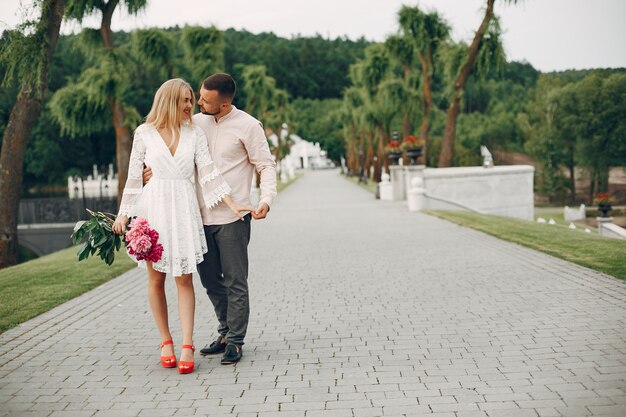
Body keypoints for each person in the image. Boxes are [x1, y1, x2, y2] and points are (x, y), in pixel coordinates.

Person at [112, 78, 252, 375]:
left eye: (192, 100)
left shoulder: (194, 133)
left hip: (183, 209)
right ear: (168, 101)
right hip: (154, 208)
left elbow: (209, 173)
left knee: (185, 279)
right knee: (155, 280)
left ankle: (187, 344)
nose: (190, 105)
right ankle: (166, 341)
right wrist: (124, 215)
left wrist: (233, 203)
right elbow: (135, 177)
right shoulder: (144, 133)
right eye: (185, 100)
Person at [143, 73, 277, 365]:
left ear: (225, 104)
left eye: (205, 100)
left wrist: (265, 200)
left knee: (235, 281)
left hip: (232, 216)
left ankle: (236, 341)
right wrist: (155, 171)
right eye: (199, 97)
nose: (199, 103)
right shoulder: (195, 122)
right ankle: (225, 332)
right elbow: (173, 153)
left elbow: (265, 165)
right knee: (210, 282)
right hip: (195, 217)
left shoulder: (248, 126)